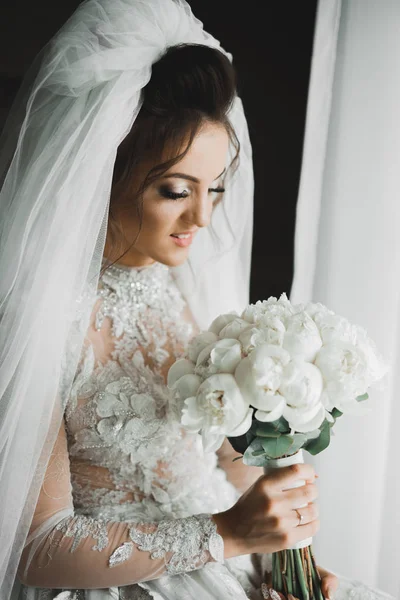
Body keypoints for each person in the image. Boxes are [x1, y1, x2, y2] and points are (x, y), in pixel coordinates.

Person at [0, 1, 394, 599]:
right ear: (105, 174)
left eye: (215, 189)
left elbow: (222, 467)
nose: (203, 217)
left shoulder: (187, 288)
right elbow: (34, 545)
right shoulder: (43, 317)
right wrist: (227, 536)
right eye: (175, 191)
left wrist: (283, 549)